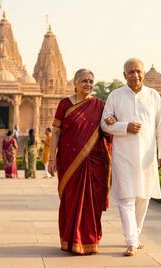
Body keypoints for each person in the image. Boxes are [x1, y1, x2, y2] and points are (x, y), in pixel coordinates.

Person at [101, 58, 161, 257]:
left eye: (138, 71)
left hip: (147, 154)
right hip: (123, 155)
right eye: (131, 71)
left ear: (143, 73)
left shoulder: (153, 95)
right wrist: (124, 127)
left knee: (143, 197)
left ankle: (135, 235)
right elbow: (105, 124)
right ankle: (131, 240)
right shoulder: (115, 96)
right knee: (126, 197)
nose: (135, 75)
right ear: (124, 75)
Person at [48, 69, 111, 255]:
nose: (88, 84)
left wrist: (112, 121)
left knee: (92, 201)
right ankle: (70, 240)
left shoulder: (100, 105)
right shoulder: (64, 104)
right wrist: (51, 158)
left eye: (91, 81)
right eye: (84, 81)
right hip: (68, 160)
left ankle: (89, 241)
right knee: (71, 199)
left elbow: (107, 130)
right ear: (74, 83)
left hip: (95, 160)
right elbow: (56, 132)